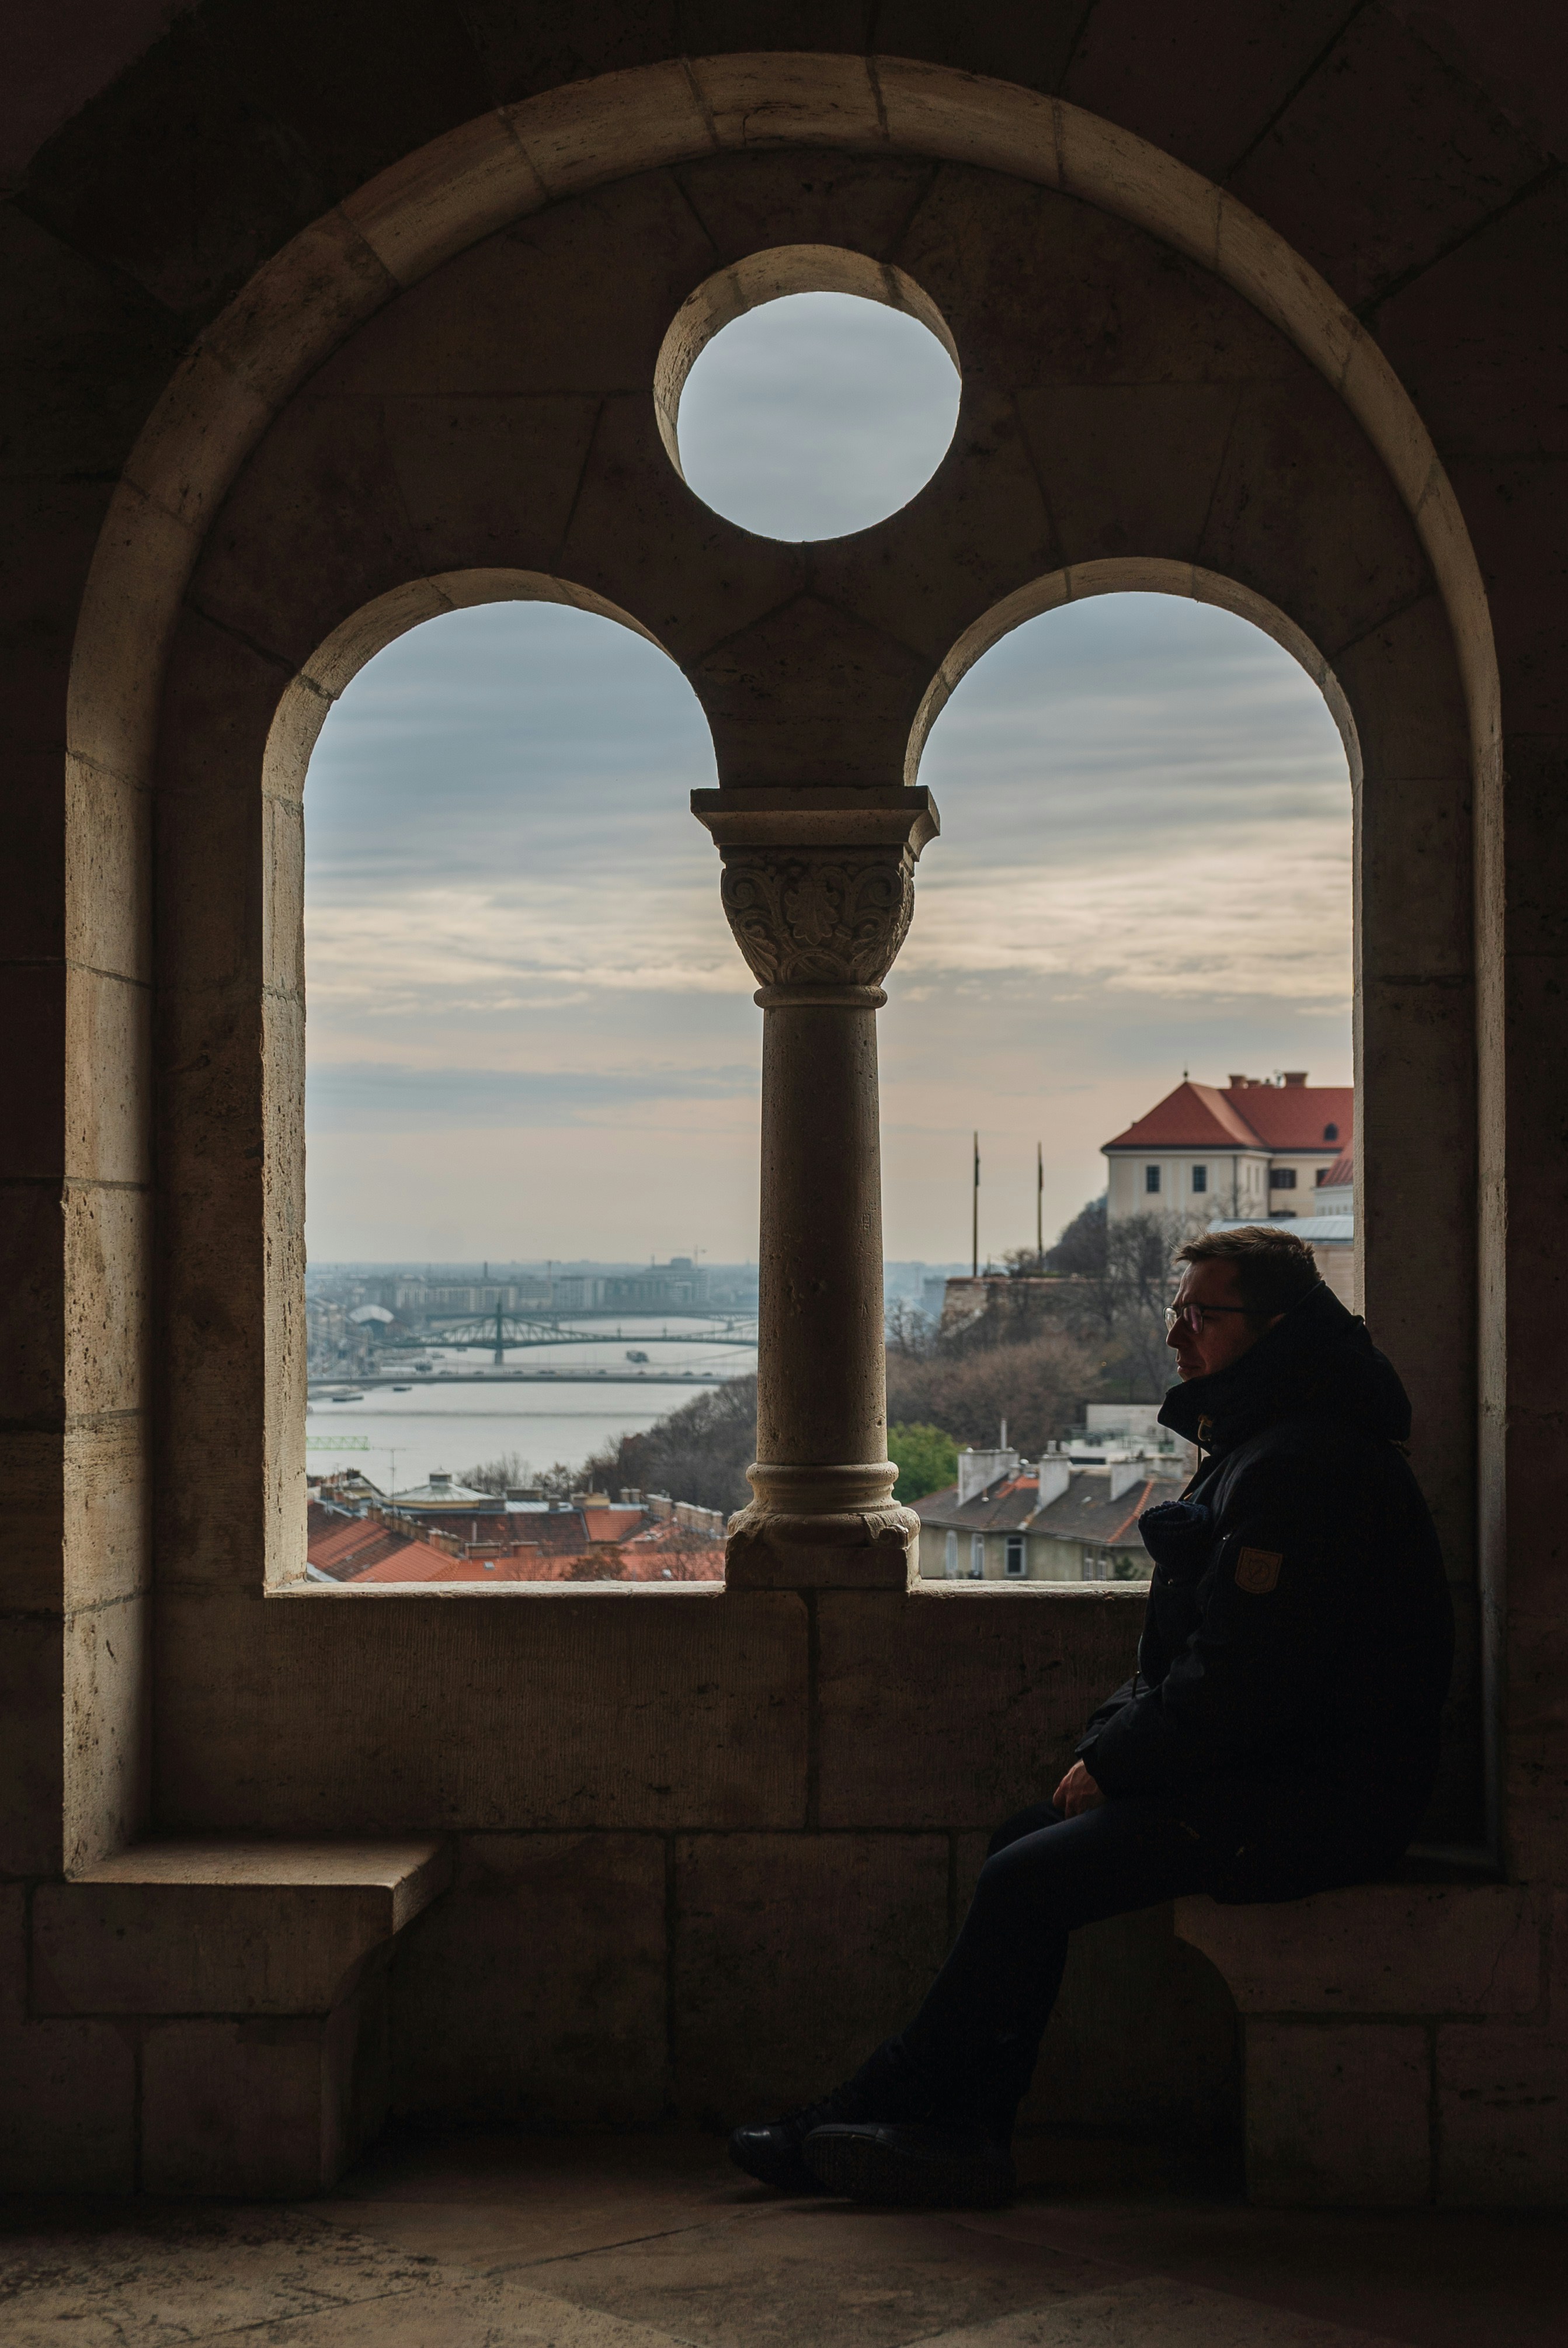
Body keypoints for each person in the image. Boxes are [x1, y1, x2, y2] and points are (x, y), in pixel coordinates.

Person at [729, 1226, 1454, 2209]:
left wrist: (1115, 1765)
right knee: (1021, 1844)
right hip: (1272, 1776)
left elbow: (1244, 1676)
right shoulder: (1268, 1441)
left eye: (1202, 1315)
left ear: (1275, 1327)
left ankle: (918, 2114)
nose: (1175, 1335)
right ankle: (952, 2122)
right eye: (1177, 1311)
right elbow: (1193, 1660)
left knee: (1025, 1877)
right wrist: (1109, 1751)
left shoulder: (1301, 1464)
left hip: (1317, 1800)